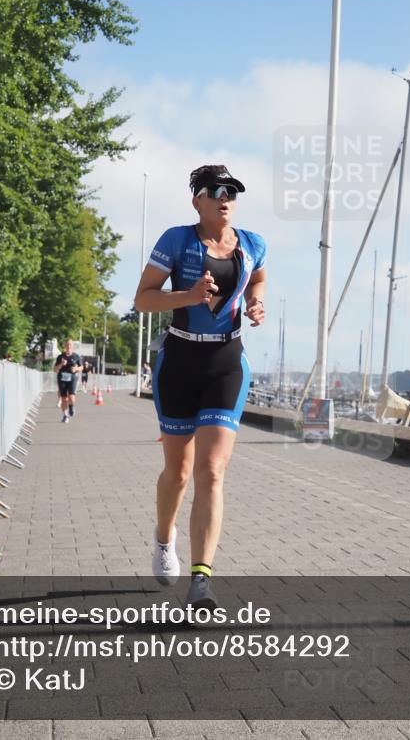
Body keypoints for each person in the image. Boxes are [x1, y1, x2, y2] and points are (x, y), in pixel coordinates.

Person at [134, 165, 266, 610]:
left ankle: (201, 582)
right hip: (180, 361)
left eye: (232, 191)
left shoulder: (252, 244)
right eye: (216, 191)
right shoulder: (177, 239)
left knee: (212, 471)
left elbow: (259, 276)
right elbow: (143, 298)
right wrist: (186, 297)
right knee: (179, 472)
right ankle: (163, 539)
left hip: (226, 363)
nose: (225, 197)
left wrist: (255, 301)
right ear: (197, 200)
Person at [53, 340, 83, 423]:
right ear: (65, 346)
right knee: (63, 399)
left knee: (71, 397)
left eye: (70, 344)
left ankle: (71, 406)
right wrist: (61, 364)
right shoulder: (60, 357)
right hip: (62, 378)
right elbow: (55, 370)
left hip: (72, 378)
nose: (68, 346)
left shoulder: (76, 356)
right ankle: (65, 416)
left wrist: (76, 369)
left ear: (72, 346)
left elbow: (82, 367)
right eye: (67, 344)